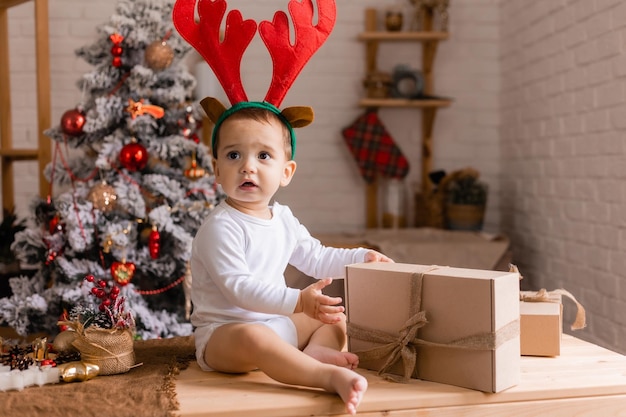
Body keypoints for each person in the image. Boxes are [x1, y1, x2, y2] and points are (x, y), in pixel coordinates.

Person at [190, 104, 393, 415]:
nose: (247, 167)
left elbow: (317, 256)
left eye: (263, 156)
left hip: (276, 325)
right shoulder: (221, 227)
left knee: (336, 315)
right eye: (234, 156)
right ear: (217, 170)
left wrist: (360, 257)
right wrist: (298, 302)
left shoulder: (283, 219)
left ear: (286, 172)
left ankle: (318, 352)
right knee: (253, 335)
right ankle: (325, 377)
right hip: (226, 337)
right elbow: (239, 288)